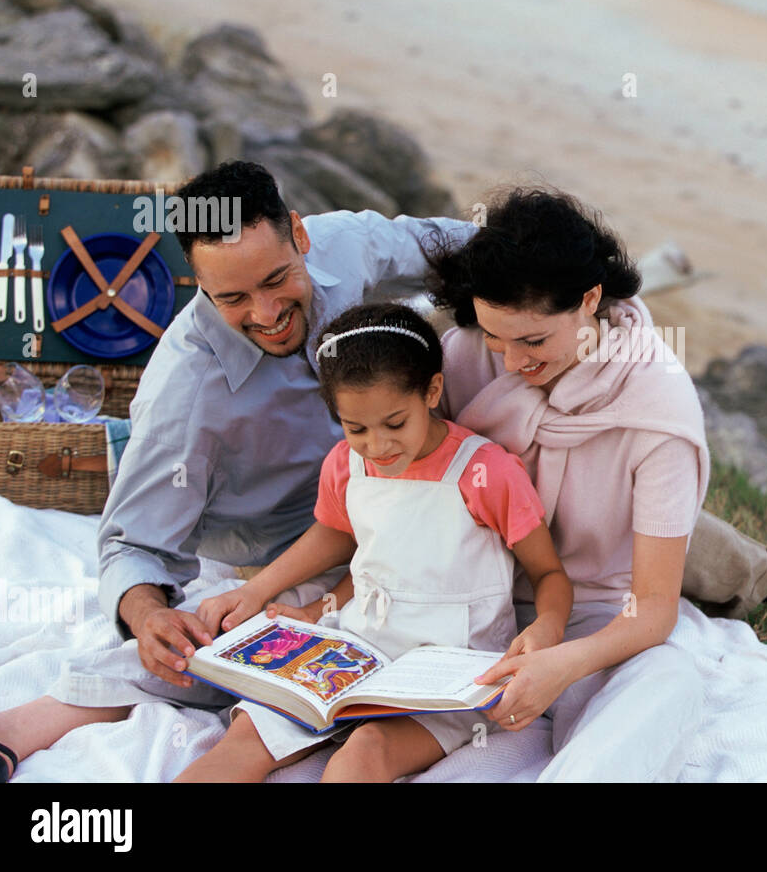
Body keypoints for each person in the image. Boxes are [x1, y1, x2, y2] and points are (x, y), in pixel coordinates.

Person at [0, 161, 767, 783]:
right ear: (198, 286)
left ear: (301, 236)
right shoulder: (184, 392)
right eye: (234, 297)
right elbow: (132, 541)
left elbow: (461, 247)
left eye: (279, 281)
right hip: (304, 535)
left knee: (602, 479)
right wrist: (157, 612)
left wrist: (548, 277)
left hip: (458, 490)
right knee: (214, 650)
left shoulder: (359, 254)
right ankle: (18, 728)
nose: (270, 311)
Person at [420, 186, 767, 779]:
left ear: (590, 299)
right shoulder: (463, 356)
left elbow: (651, 611)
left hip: (599, 612)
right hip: (472, 599)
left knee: (668, 681)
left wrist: (563, 665)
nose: (511, 362)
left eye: (534, 342)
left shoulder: (657, 406)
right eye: (496, 336)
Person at [173, 302, 571, 781]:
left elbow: (548, 572)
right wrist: (257, 592)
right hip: (355, 651)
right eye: (355, 428)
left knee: (367, 748)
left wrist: (547, 628)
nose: (377, 446)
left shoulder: (485, 472)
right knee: (247, 735)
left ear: (432, 391)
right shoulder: (345, 464)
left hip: (449, 671)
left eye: (394, 424)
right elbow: (337, 537)